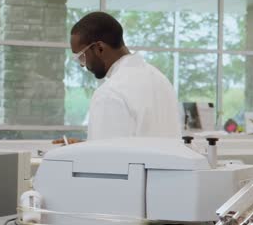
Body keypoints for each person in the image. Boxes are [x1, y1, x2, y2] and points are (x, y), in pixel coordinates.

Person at [69, 11, 181, 140]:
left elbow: (104, 156)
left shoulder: (110, 92)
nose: (83, 65)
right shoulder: (160, 79)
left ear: (99, 48)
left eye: (81, 57)